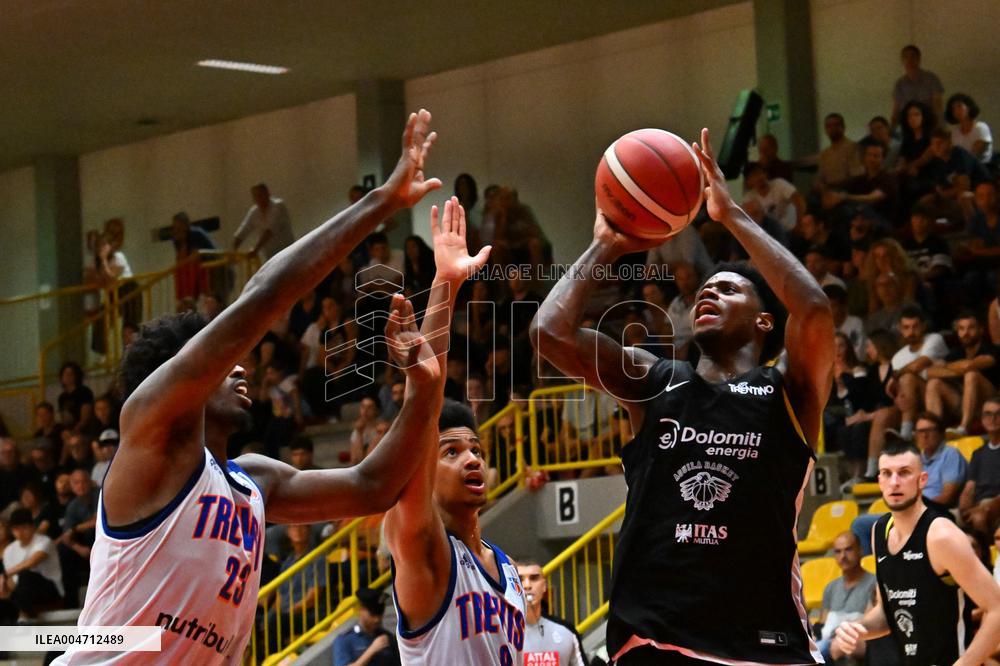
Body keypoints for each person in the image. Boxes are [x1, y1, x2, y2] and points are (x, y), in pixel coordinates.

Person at [54, 110, 457, 665]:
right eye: (225, 361)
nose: (242, 366)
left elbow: (373, 485)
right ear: (186, 374)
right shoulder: (148, 433)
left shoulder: (254, 483)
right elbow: (265, 296)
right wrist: (381, 204)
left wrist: (422, 387)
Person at [532, 128, 834, 664]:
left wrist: (732, 215)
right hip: (656, 639)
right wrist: (606, 243)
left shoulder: (789, 391)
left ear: (765, 320)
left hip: (763, 643)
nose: (709, 291)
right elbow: (548, 335)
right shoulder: (654, 380)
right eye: (705, 287)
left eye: (730, 288)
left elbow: (813, 310)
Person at [386, 198, 526, 666]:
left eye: (476, 449)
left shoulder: (507, 567)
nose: (471, 459)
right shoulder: (424, 549)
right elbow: (421, 420)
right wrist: (445, 285)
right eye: (450, 452)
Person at [833, 441, 1000, 665]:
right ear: (879, 481)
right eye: (887, 473)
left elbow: (997, 610)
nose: (894, 482)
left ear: (922, 480)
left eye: (904, 473)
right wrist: (858, 629)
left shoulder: (941, 535)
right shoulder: (879, 532)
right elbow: (887, 612)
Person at [925, 312, 998, 437]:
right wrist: (955, 368)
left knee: (971, 375)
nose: (966, 333)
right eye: (961, 329)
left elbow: (969, 366)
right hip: (965, 404)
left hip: (989, 403)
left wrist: (946, 367)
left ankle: (964, 428)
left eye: (971, 328)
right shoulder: (956, 352)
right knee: (934, 383)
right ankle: (931, 429)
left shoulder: (991, 348)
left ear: (981, 330)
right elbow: (930, 372)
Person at [816, 532, 877, 663]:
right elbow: (822, 624)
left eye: (848, 549)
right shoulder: (830, 587)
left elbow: (871, 624)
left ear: (860, 550)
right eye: (838, 551)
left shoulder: (875, 584)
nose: (843, 556)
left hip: (856, 642)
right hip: (827, 643)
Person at [889, 306, 949, 440]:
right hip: (915, 403)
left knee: (909, 377)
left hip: (942, 397)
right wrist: (898, 398)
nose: (911, 331)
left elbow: (918, 365)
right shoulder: (897, 357)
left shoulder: (934, 339)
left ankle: (905, 434)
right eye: (906, 327)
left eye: (915, 326)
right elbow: (899, 390)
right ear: (900, 329)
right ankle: (905, 434)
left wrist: (896, 375)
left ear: (924, 326)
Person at [517, 559, 587, 666]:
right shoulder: (502, 632)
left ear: (544, 586)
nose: (527, 585)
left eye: (534, 578)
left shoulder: (567, 631)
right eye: (520, 579)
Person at [0, 509, 63, 623]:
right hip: (23, 593)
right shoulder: (9, 550)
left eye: (23, 528)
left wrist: (5, 574)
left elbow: (32, 561)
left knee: (25, 575)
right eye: (16, 529)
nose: (20, 532)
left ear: (32, 527)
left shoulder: (44, 541)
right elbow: (13, 581)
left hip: (49, 590)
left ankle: (24, 615)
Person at [959, 397, 1000, 537]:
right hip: (978, 503)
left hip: (994, 503)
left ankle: (983, 557)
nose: (993, 418)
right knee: (944, 518)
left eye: (998, 414)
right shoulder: (978, 453)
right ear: (982, 419)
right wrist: (964, 509)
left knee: (979, 517)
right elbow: (969, 487)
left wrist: (985, 508)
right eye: (988, 414)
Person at [332, 587, 399, 666]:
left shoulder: (387, 637)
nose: (376, 620)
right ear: (361, 610)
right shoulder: (345, 640)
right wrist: (371, 650)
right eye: (372, 615)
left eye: (379, 615)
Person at [233, 183, 295, 260]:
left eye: (261, 195)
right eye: (256, 196)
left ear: (268, 194)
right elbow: (243, 230)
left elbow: (270, 231)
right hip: (270, 256)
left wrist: (255, 249)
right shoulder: (254, 212)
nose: (259, 198)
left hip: (287, 253)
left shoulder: (278, 206)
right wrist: (233, 251)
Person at [890, 45, 944, 129]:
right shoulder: (899, 83)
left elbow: (938, 105)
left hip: (929, 124)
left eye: (913, 56)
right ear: (902, 60)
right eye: (906, 57)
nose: (909, 59)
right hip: (909, 127)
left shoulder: (931, 78)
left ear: (919, 59)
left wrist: (939, 127)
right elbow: (896, 110)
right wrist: (891, 130)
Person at [946, 93, 993, 164]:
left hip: (982, 167)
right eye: (953, 108)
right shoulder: (955, 132)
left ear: (969, 107)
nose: (956, 110)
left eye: (959, 106)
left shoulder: (980, 128)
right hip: (962, 168)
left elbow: (975, 155)